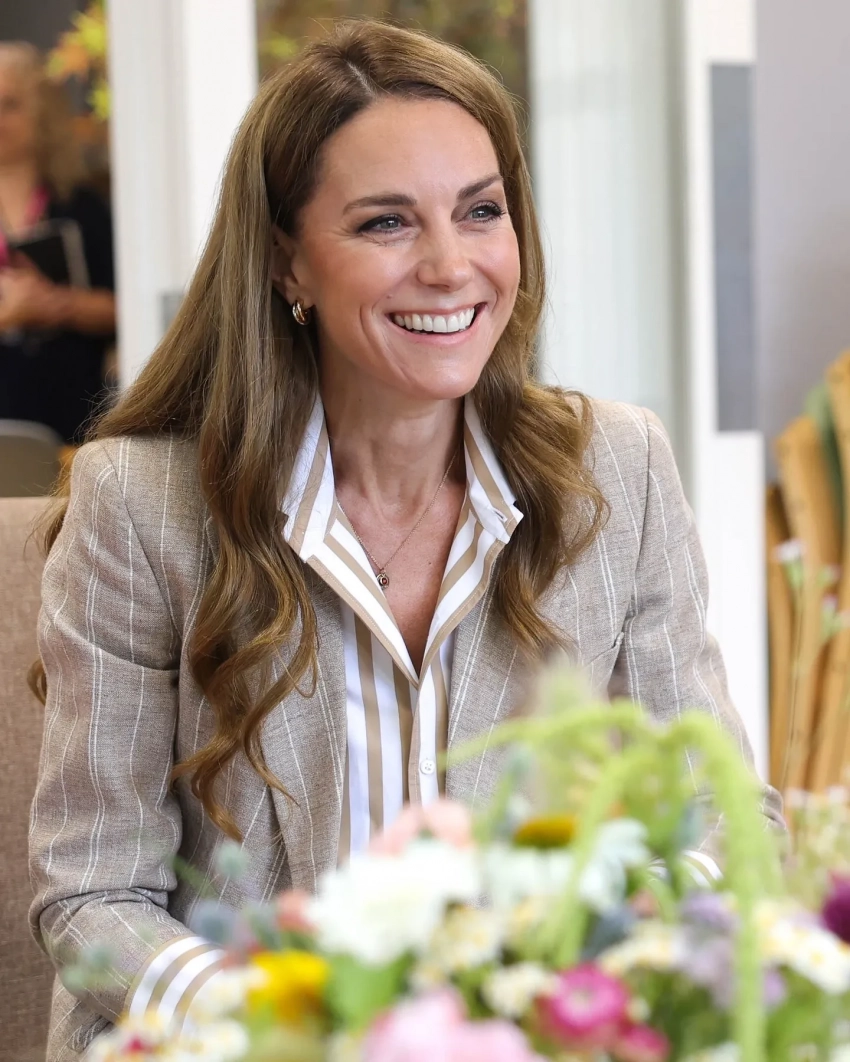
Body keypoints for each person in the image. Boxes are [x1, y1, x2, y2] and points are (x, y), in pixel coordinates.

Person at [27, 20, 783, 1059]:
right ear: (287, 261)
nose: (450, 265)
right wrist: (300, 1026)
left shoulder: (619, 469)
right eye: (386, 223)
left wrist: (568, 979)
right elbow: (92, 895)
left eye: (481, 211)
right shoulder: (141, 501)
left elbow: (722, 823)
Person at [0, 42, 115, 445]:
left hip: (71, 414)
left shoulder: (81, 207)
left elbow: (124, 308)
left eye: (10, 105)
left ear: (41, 112)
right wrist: (10, 315)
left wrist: (56, 304)